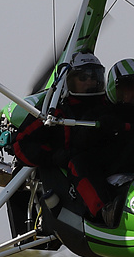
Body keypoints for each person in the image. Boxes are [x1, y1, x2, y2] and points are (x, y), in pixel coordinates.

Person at [11, 52, 114, 220]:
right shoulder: (57, 111)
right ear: (69, 81)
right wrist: (54, 156)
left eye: (94, 76)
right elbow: (21, 144)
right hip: (72, 175)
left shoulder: (109, 107)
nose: (90, 81)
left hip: (108, 164)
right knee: (80, 163)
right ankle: (103, 213)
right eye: (83, 77)